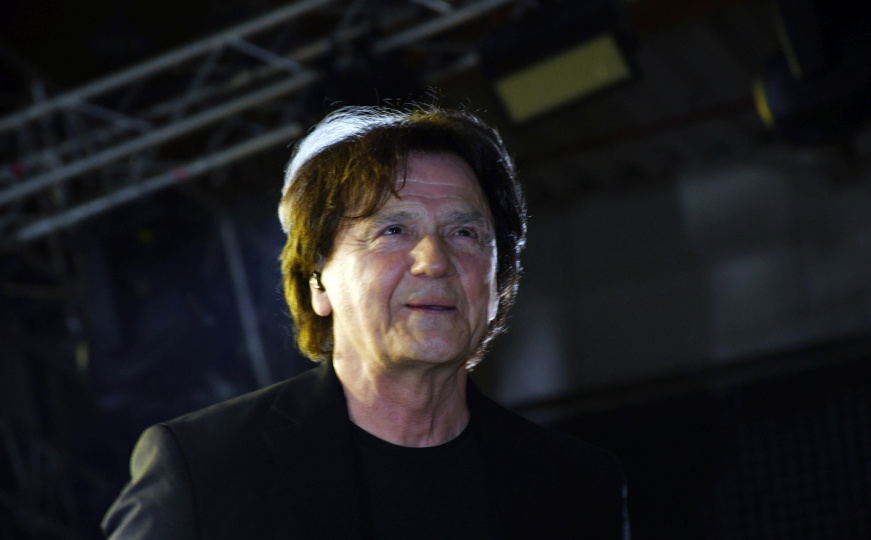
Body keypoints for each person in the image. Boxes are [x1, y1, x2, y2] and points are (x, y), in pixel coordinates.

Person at [102, 104, 630, 539]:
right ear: (318, 281)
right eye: (393, 230)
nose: (434, 261)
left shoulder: (578, 484)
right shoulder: (205, 468)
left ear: (498, 285)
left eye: (465, 233)